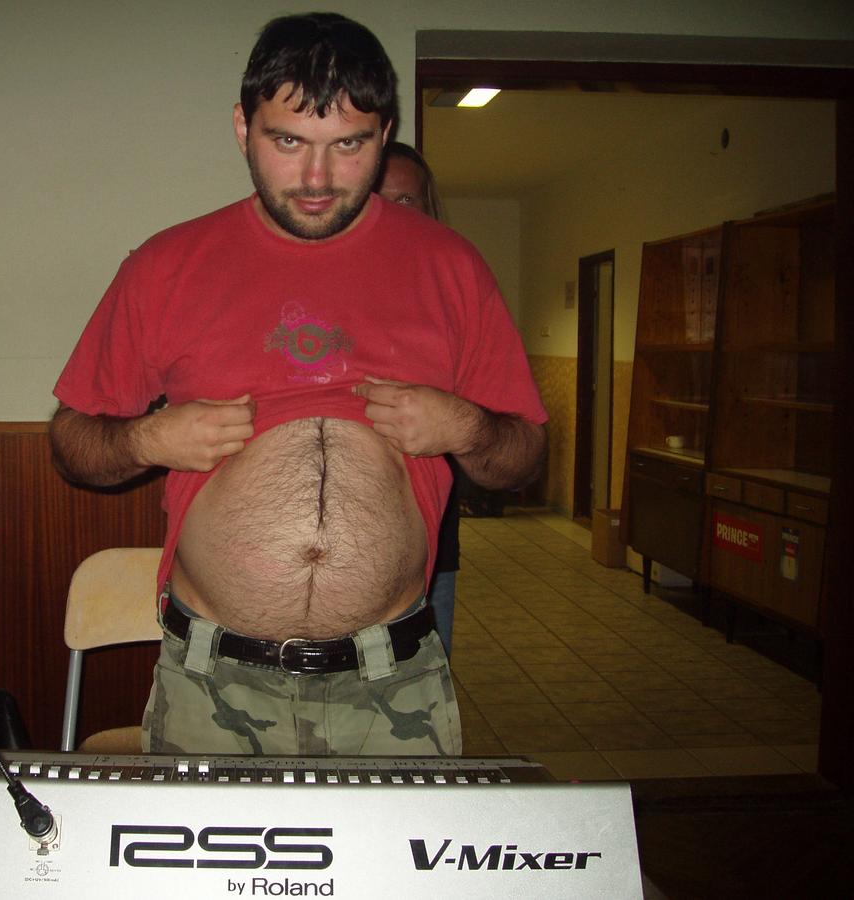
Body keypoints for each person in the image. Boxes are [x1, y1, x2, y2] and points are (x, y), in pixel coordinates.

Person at [48, 12, 547, 757]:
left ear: (384, 136)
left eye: (348, 144)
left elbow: (524, 458)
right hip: (212, 678)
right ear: (243, 129)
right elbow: (71, 443)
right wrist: (148, 439)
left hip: (394, 680)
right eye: (288, 142)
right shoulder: (165, 265)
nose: (317, 179)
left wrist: (467, 428)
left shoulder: (452, 267)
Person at [375, 141, 459, 654]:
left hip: (429, 550)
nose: (391, 215)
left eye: (406, 200)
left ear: (428, 210)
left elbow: (505, 429)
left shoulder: (453, 295)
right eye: (378, 199)